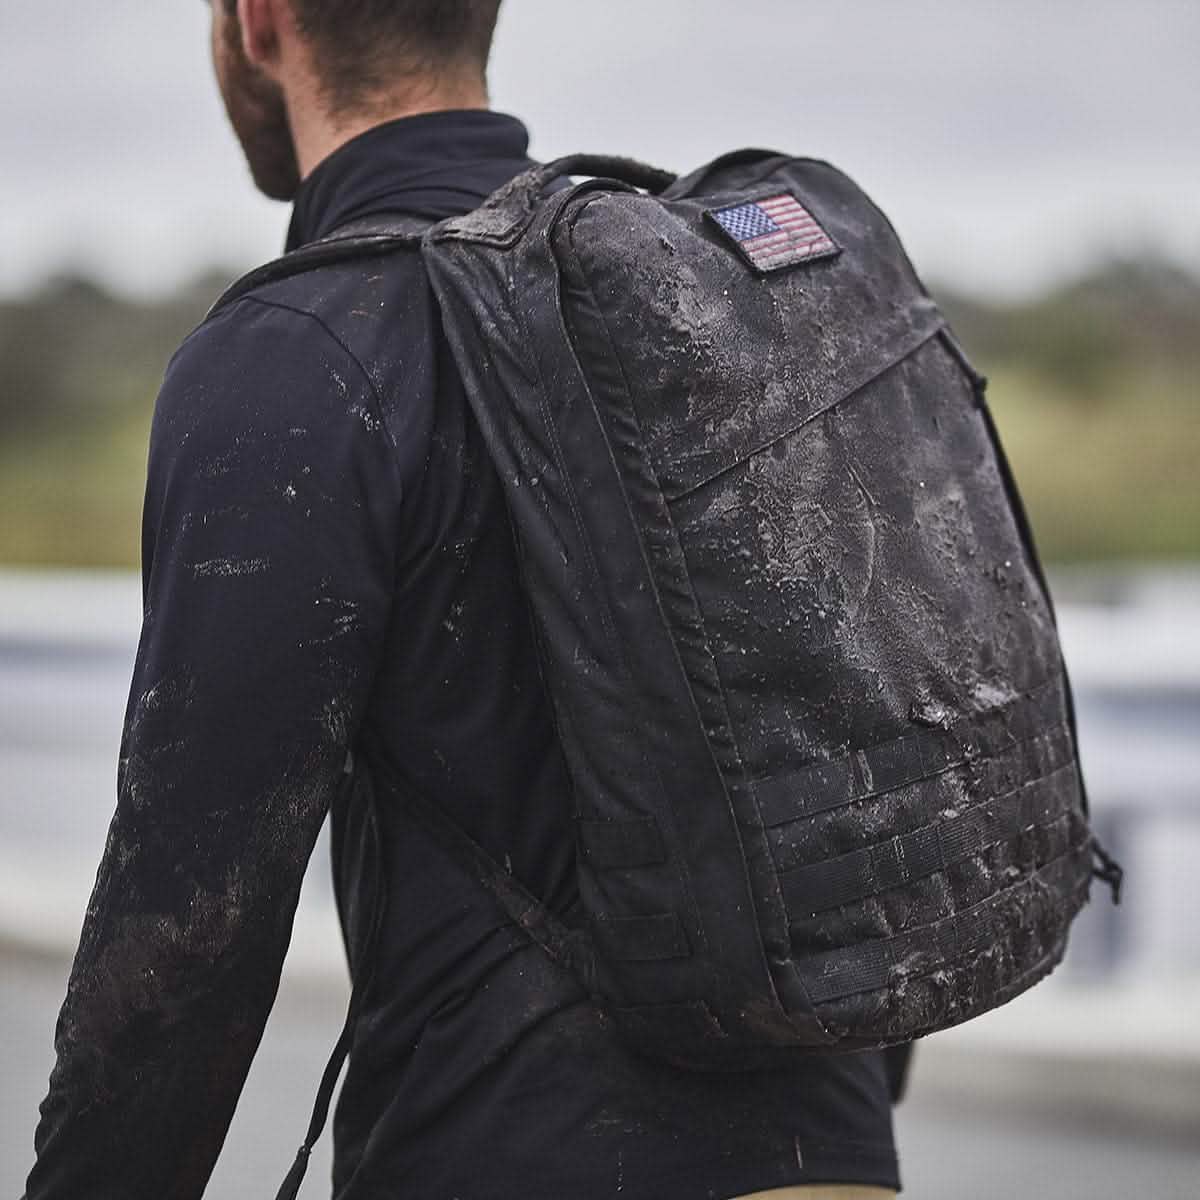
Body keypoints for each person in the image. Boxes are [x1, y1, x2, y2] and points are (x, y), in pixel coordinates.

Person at [24, 2, 902, 1197]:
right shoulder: (701, 295)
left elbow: (185, 946)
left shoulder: (300, 349)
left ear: (260, 21)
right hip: (833, 1157)